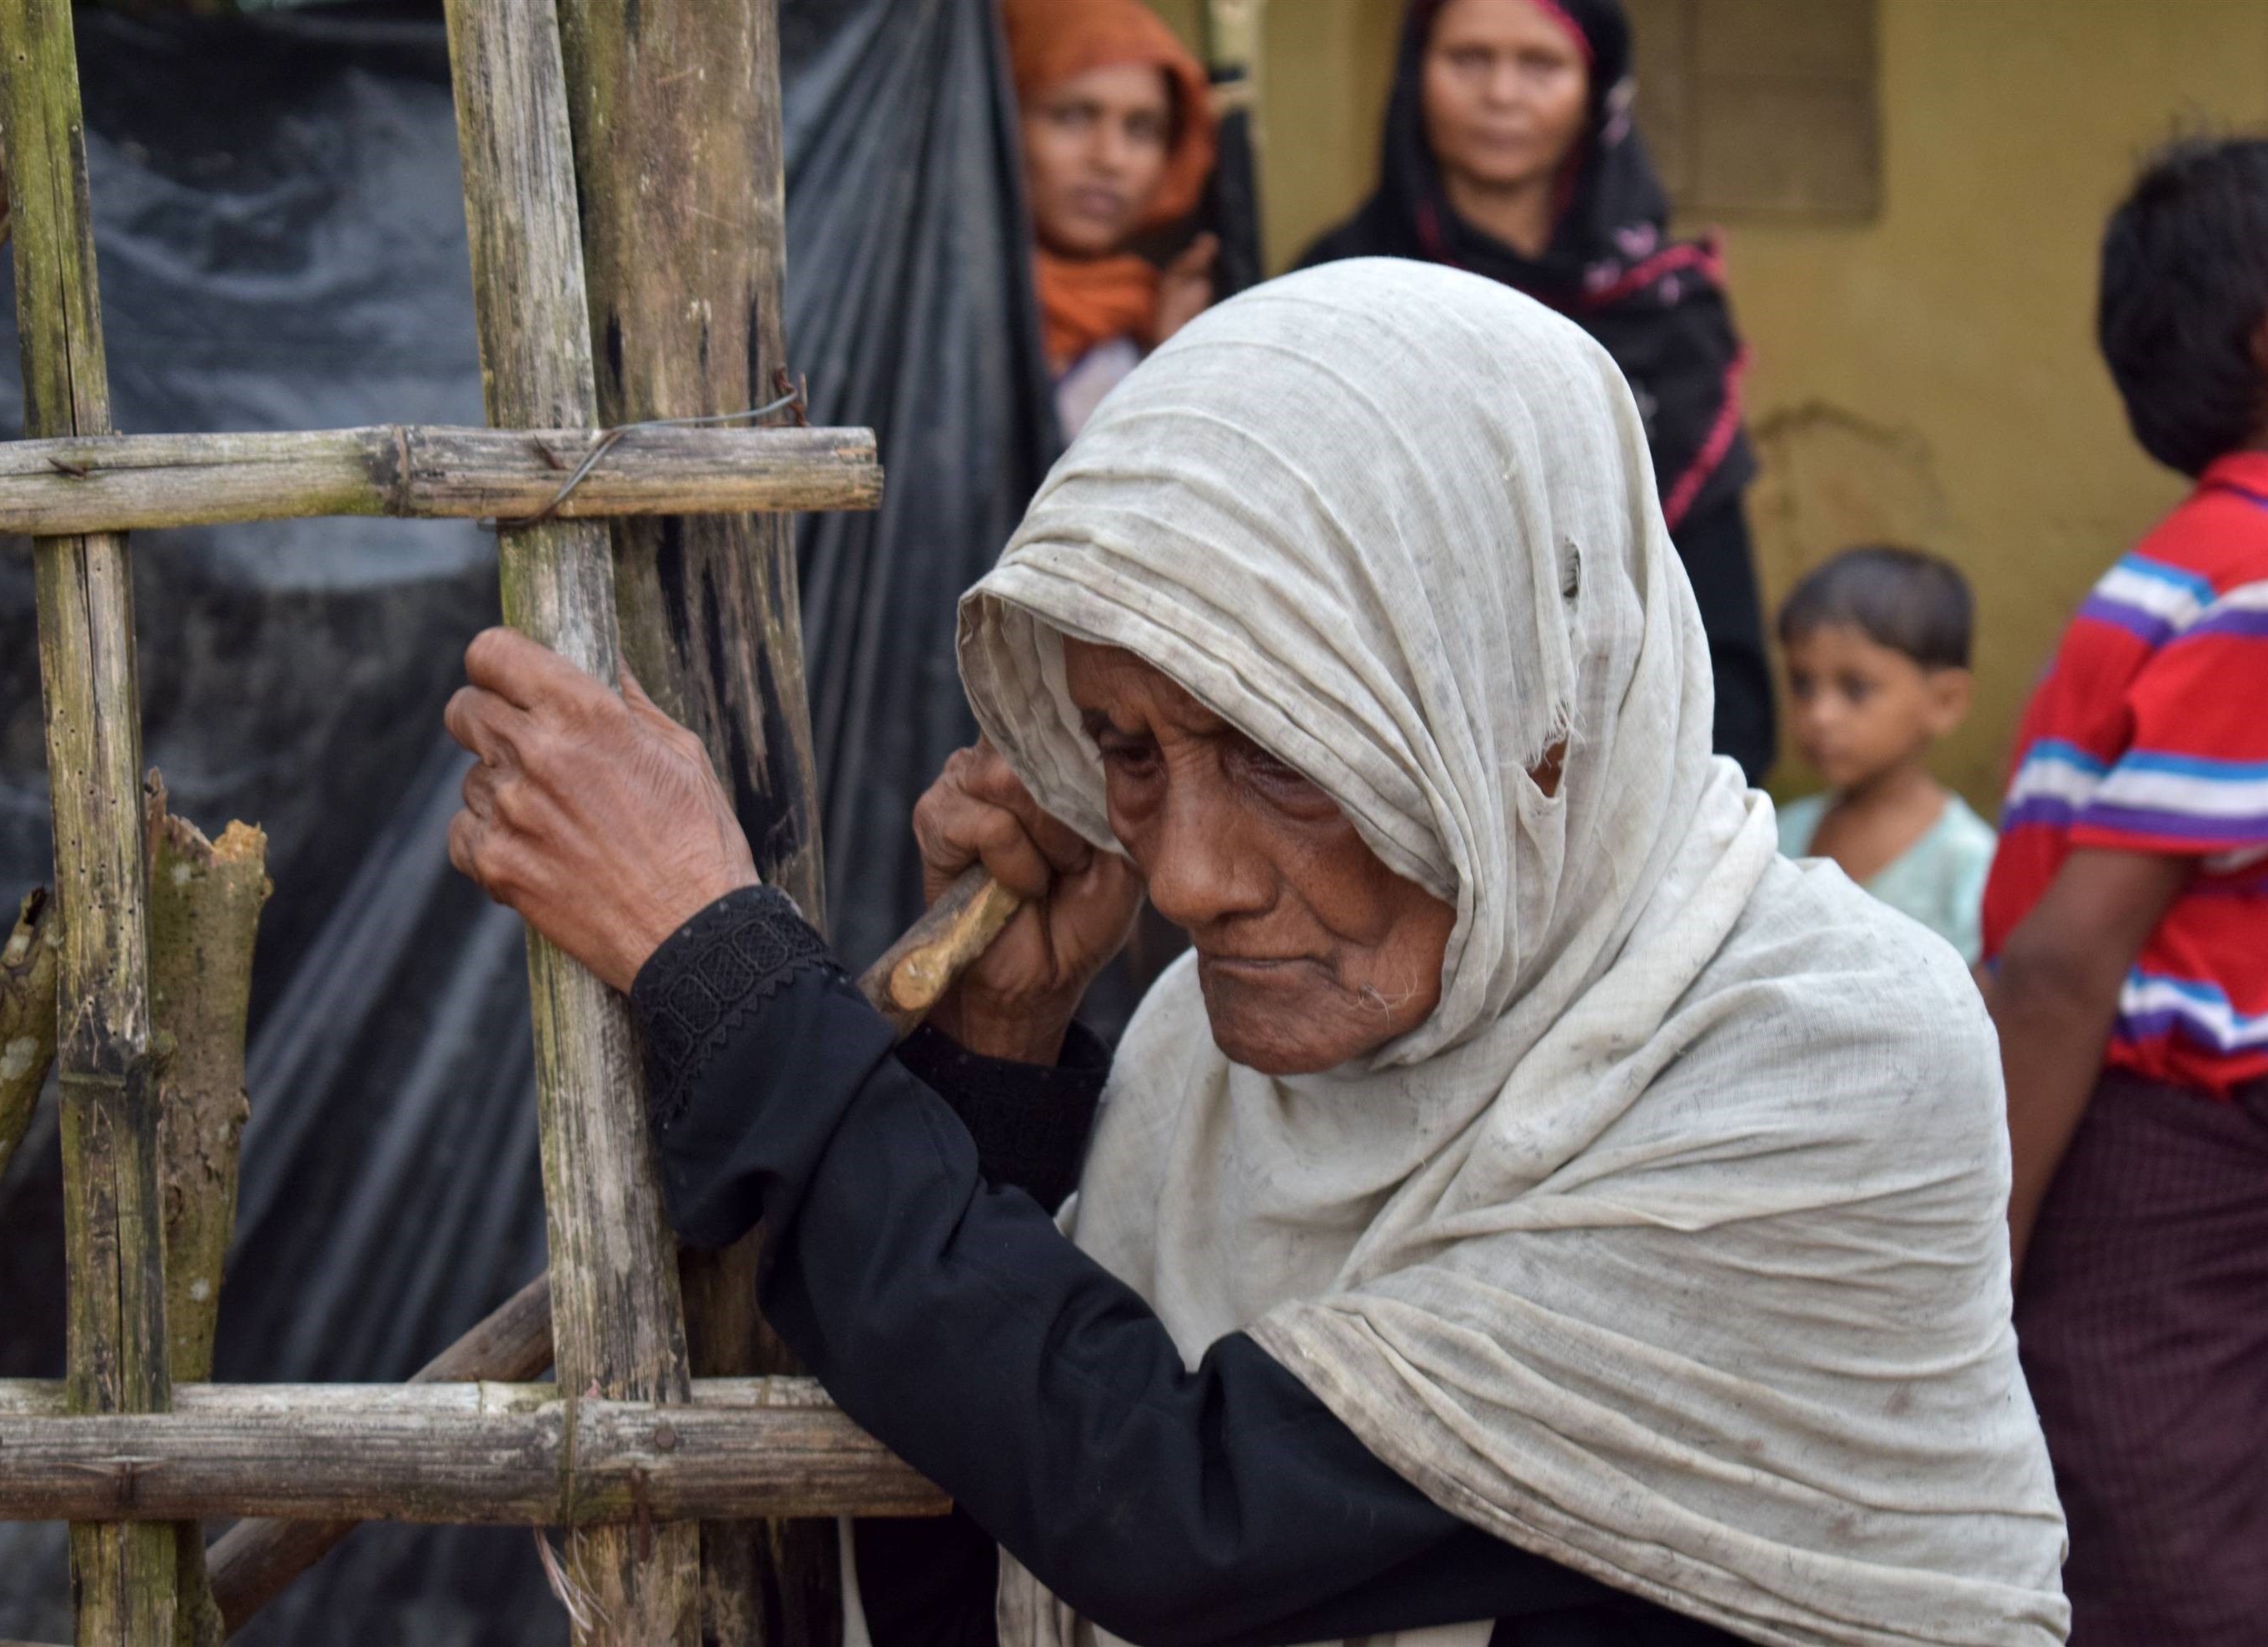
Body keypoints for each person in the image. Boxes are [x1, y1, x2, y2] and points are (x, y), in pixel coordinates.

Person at [443, 261, 2067, 1646]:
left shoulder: (1825, 1049)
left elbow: (1177, 1508)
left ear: (1529, 714)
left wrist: (722, 971)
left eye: (1283, 755)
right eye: (1124, 751)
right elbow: (990, 1564)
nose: (1187, 875)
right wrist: (996, 1065)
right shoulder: (1200, 1067)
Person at [1981, 137, 2268, 1647]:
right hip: (2157, 1167)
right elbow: (2059, 962)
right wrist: (1975, 1262)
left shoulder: (2192, 559)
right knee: (2175, 1593)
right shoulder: (2255, 575)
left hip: (2170, 1161)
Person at [1298, 0, 1773, 784]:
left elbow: (1716, 626)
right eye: (1469, 59)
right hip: (1372, 762)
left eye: (1541, 65)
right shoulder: (1338, 287)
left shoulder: (1663, 316)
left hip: (1618, 772)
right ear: (1415, 74)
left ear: (1597, 89)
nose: (1502, 93)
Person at [1005, 0, 1219, 442]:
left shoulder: (1162, 322)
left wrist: (1173, 366)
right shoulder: (923, 304)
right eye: (1072, 116)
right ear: (1003, 119)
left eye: (1142, 129)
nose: (1110, 159)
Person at [1773, 546, 1994, 962]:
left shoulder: (1968, 868)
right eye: (1802, 684)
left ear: (1945, 702)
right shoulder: (1778, 836)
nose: (1820, 715)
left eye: (1855, 688)